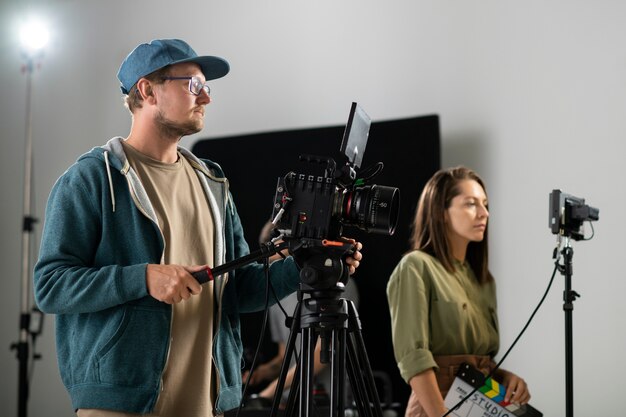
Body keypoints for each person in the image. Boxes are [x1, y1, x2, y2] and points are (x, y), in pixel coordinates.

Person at [33, 38, 362, 417]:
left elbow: (241, 290)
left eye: (206, 87)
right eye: (193, 85)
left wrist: (307, 265)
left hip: (207, 403)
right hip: (123, 403)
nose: (206, 97)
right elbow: (51, 285)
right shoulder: (93, 179)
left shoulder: (213, 182)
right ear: (147, 90)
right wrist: (144, 278)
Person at [386, 166, 530, 417]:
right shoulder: (416, 267)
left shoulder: (483, 280)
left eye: (485, 204)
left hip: (480, 403)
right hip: (436, 406)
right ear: (441, 212)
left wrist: (505, 378)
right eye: (471, 204)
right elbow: (414, 359)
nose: (484, 213)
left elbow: (479, 357)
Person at [244, 277, 360, 405]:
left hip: (332, 399)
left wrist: (270, 391)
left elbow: (323, 352)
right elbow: (284, 357)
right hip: (292, 401)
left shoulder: (339, 283)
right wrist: (262, 373)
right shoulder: (277, 294)